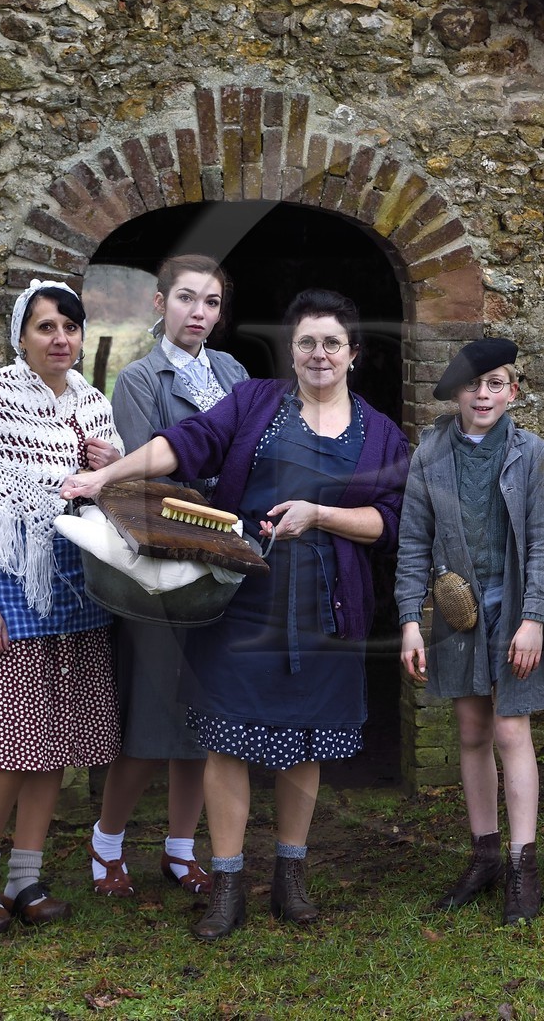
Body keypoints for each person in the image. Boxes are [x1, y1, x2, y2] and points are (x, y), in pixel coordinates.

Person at [62, 288, 409, 941]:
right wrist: (104, 480)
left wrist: (321, 515)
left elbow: (389, 522)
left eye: (332, 342)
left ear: (353, 354)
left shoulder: (380, 433)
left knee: (307, 742)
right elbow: (183, 444)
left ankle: (290, 877)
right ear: (292, 349)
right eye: (306, 341)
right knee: (225, 741)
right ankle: (225, 885)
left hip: (329, 612)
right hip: (242, 601)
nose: (318, 354)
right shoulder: (255, 404)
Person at [0, 278, 124, 936]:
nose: (60, 338)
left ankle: (26, 878)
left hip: (77, 593)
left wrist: (110, 466)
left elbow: (112, 505)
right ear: (21, 336)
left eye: (70, 326)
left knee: (53, 746)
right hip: (6, 590)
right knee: (9, 746)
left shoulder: (94, 406)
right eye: (45, 327)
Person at [87, 254, 248, 900]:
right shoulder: (139, 378)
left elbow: (250, 452)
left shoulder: (233, 371)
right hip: (164, 570)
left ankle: (180, 850)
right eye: (186, 299)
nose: (199, 314)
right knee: (153, 721)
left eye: (210, 303)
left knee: (203, 719)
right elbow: (147, 481)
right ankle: (106, 843)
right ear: (160, 305)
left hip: (221, 563)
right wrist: (210, 492)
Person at [395, 338, 544, 925]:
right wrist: (411, 622)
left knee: (510, 729)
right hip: (457, 611)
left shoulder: (531, 453)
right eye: (474, 384)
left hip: (513, 609)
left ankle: (523, 863)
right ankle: (485, 854)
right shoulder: (431, 453)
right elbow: (413, 540)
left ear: (512, 391)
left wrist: (534, 620)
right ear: (456, 393)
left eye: (496, 384)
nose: (484, 394)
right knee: (470, 728)